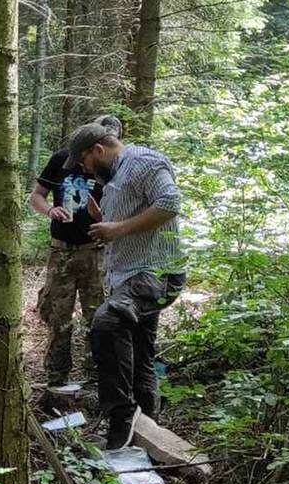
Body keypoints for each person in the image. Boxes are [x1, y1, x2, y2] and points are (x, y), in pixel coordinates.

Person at [65, 121, 187, 450]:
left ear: (98, 150)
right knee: (141, 350)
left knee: (106, 323)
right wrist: (101, 217)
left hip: (156, 273)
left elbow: (170, 203)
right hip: (131, 276)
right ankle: (148, 431)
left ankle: (120, 423)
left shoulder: (145, 161)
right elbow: (129, 220)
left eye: (84, 162)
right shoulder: (116, 176)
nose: (85, 170)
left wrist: (117, 229)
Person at [28, 115, 122, 387]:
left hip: (95, 252)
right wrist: (49, 210)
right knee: (58, 318)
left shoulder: (114, 167)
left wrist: (103, 217)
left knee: (98, 317)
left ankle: (95, 379)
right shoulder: (62, 159)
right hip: (61, 252)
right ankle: (57, 379)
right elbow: (36, 195)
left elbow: (122, 211)